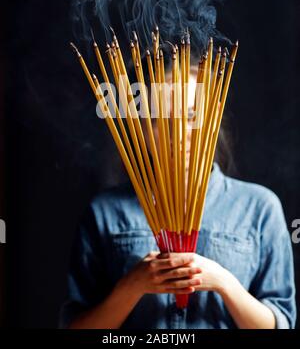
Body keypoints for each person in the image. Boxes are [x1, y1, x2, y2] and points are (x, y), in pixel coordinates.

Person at [60, 47, 296, 329]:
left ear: (212, 120)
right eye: (160, 119)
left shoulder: (259, 208)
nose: (178, 132)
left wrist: (223, 282)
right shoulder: (104, 213)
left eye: (191, 115)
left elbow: (280, 323)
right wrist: (132, 286)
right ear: (139, 127)